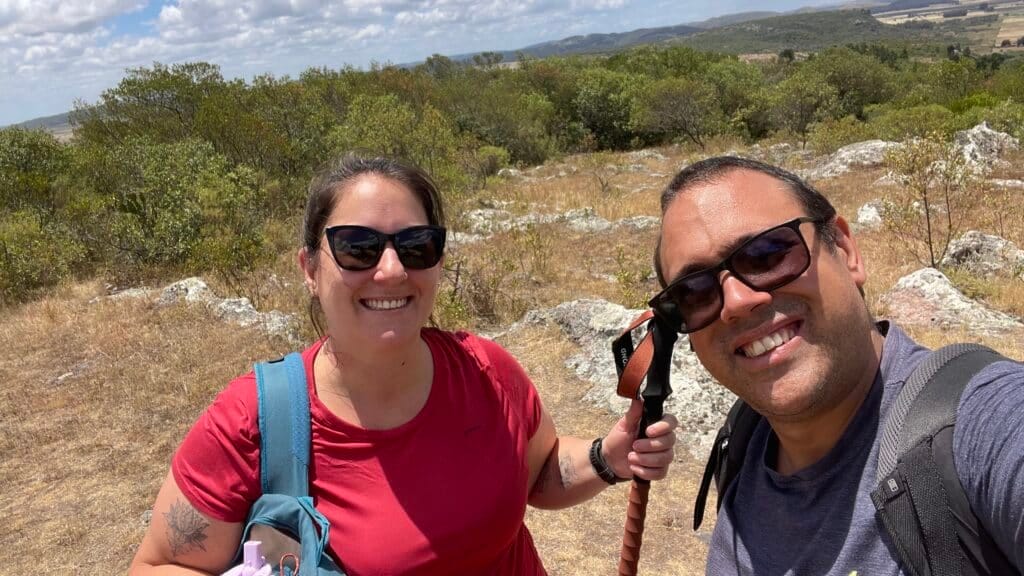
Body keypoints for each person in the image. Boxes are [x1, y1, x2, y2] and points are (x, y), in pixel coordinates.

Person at [129, 154, 678, 576]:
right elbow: (158, 564)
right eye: (356, 248)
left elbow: (538, 473)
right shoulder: (252, 419)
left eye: (416, 246)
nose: (391, 270)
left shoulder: (486, 372)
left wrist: (608, 457)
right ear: (309, 268)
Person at [649, 156, 1023, 574]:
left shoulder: (981, 423)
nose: (737, 303)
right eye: (695, 291)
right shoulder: (743, 444)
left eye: (767, 254)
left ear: (845, 251)